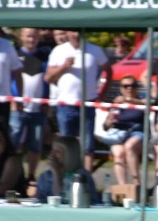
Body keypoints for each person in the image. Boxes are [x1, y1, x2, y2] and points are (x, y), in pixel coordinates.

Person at [45, 30, 113, 172]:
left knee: (88, 146)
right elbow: (48, 78)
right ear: (67, 34)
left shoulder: (95, 50)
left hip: (88, 103)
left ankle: (86, 179)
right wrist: (63, 67)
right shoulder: (58, 51)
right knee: (67, 145)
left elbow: (109, 70)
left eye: (79, 32)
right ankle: (66, 178)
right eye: (73, 32)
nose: (76, 35)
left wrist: (103, 93)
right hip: (65, 104)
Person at [10, 27, 49, 182]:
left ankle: (31, 176)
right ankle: (12, 174)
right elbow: (8, 80)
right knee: (13, 144)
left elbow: (46, 81)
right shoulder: (14, 55)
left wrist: (46, 100)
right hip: (17, 108)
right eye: (28, 36)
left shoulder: (44, 56)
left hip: (38, 108)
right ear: (21, 37)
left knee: (35, 145)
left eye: (34, 36)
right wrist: (13, 100)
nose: (31, 40)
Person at [104, 75, 146, 186]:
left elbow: (148, 105)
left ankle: (137, 183)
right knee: (118, 153)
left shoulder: (142, 100)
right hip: (119, 133)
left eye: (132, 86)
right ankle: (123, 188)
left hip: (137, 133)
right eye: (125, 86)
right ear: (121, 88)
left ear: (137, 88)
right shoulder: (117, 104)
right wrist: (109, 121)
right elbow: (106, 126)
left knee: (129, 146)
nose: (129, 88)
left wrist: (128, 100)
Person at [34, 135, 98, 205]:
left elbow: (60, 199)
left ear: (70, 154)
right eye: (52, 150)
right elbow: (38, 200)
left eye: (57, 151)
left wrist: (56, 173)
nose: (52, 155)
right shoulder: (45, 176)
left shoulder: (81, 176)